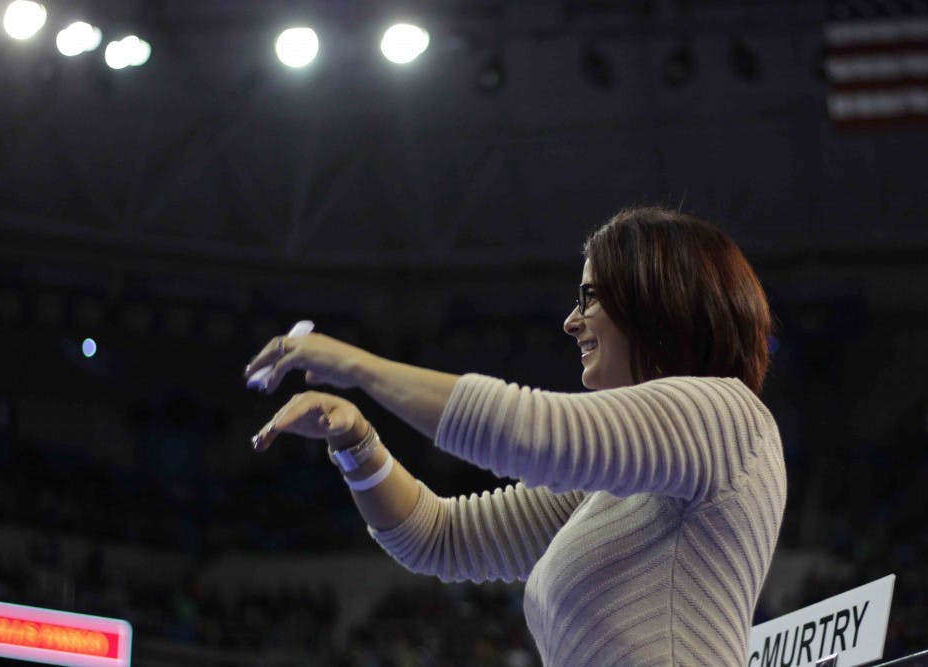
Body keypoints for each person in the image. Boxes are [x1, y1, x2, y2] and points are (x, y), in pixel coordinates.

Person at [243, 205, 787, 666]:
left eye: (590, 296)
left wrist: (359, 366)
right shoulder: (613, 494)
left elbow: (528, 433)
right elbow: (441, 537)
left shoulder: (728, 416)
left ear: (657, 300)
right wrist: (357, 442)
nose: (571, 321)